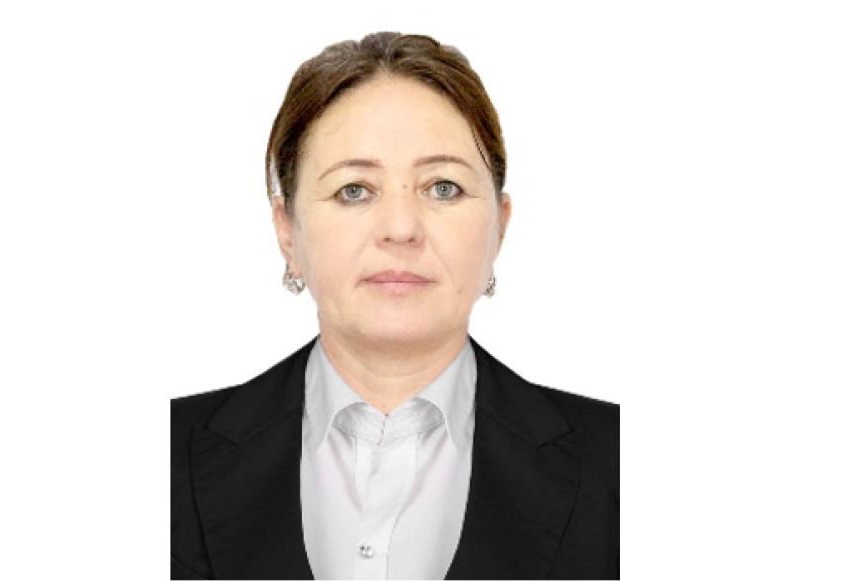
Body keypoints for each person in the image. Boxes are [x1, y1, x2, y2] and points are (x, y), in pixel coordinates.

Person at [171, 31, 619, 580]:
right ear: (288, 231)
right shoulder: (164, 455)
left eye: (443, 187)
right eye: (354, 190)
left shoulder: (618, 462)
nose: (401, 228)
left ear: (499, 227)